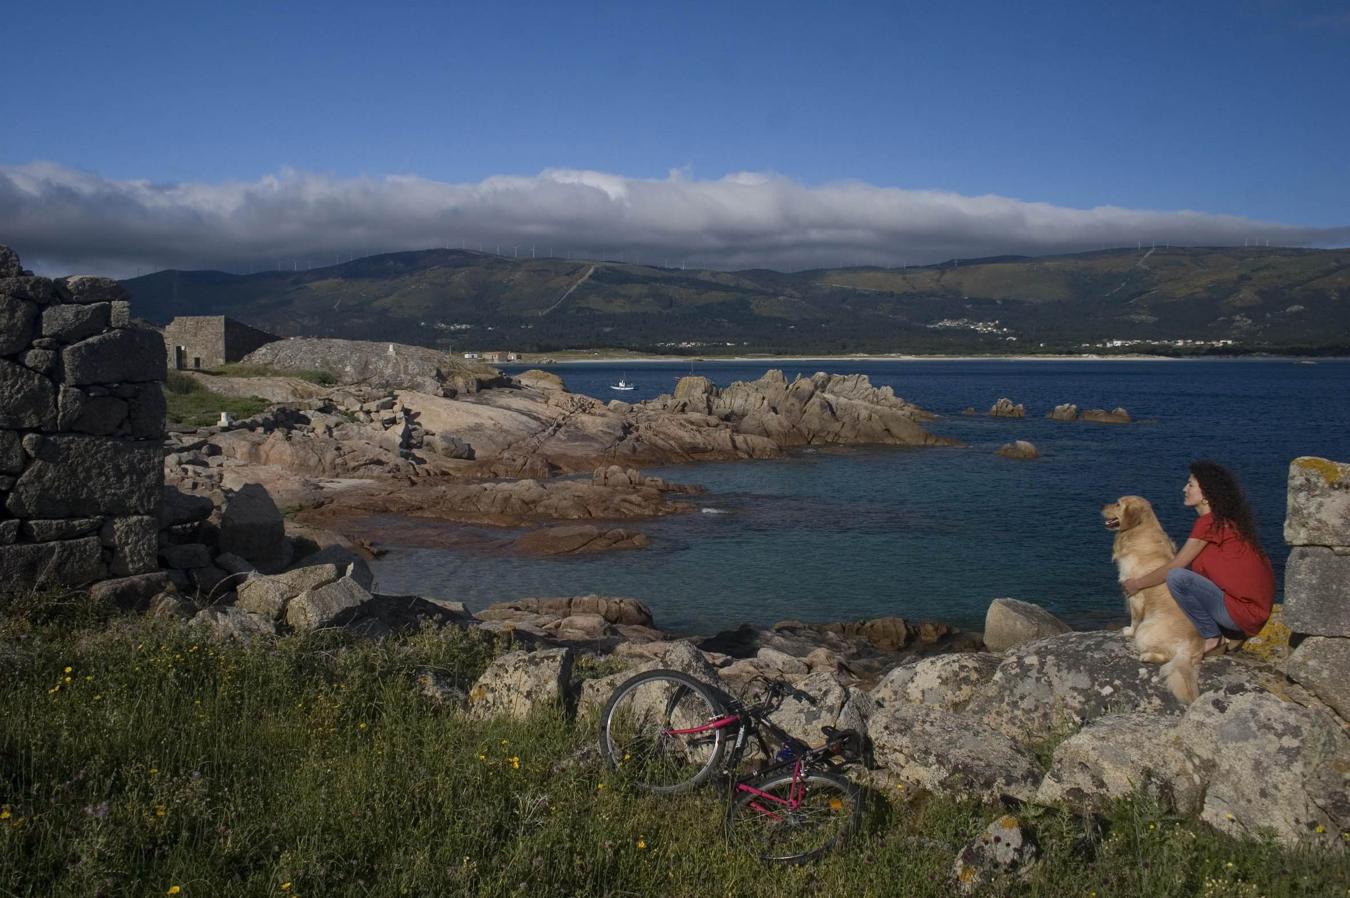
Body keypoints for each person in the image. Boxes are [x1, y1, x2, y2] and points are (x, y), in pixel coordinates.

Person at [1122, 460, 1275, 656]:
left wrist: (1137, 584)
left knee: (1178, 577)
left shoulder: (1208, 523)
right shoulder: (1225, 522)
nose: (1184, 489)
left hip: (1241, 615)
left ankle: (1212, 637)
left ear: (1206, 496)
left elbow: (1175, 566)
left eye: (1191, 485)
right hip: (1249, 613)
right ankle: (1225, 634)